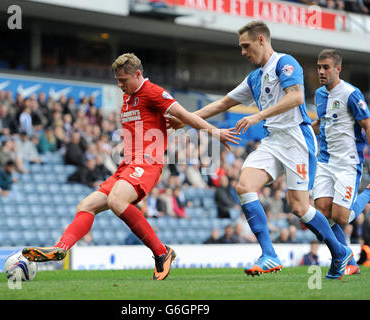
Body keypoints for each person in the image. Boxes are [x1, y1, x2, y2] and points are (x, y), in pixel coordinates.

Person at [22, 52, 240, 281]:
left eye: (123, 80)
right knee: (86, 205)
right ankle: (61, 249)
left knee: (117, 200)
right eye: (117, 80)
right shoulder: (128, 98)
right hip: (126, 165)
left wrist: (215, 132)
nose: (119, 85)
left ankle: (161, 253)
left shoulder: (153, 92)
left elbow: (184, 114)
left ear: (138, 74)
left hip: (148, 163)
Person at [167, 20, 352, 279]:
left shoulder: (285, 63)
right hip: (273, 140)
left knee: (299, 207)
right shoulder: (254, 78)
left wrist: (257, 116)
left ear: (262, 40)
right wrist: (186, 118)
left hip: (296, 139)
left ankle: (339, 251)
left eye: (246, 46)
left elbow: (296, 97)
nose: (243, 52)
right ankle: (269, 255)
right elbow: (223, 103)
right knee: (244, 186)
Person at [311, 49, 370, 276]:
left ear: (338, 68)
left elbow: (367, 124)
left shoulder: (351, 94)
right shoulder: (318, 95)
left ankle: (367, 194)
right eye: (319, 67)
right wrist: (304, 129)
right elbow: (322, 122)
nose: (321, 72)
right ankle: (348, 260)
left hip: (347, 162)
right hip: (325, 161)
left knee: (341, 217)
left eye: (326, 67)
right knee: (323, 212)